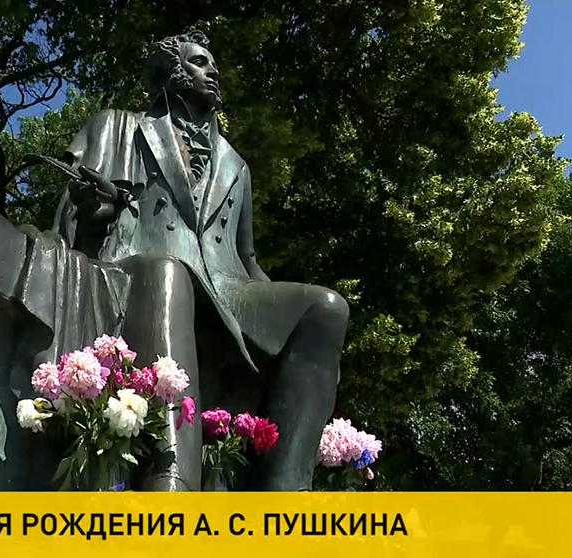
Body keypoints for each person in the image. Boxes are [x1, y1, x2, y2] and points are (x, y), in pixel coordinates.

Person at [51, 30, 351, 491]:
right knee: (169, 273)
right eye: (200, 62)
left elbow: (247, 257)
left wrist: (291, 324)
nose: (214, 72)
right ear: (172, 72)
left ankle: (287, 494)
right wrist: (98, 209)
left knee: (327, 308)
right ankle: (172, 482)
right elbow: (76, 216)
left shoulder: (236, 164)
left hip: (226, 287)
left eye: (213, 64)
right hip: (141, 266)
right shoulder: (118, 127)